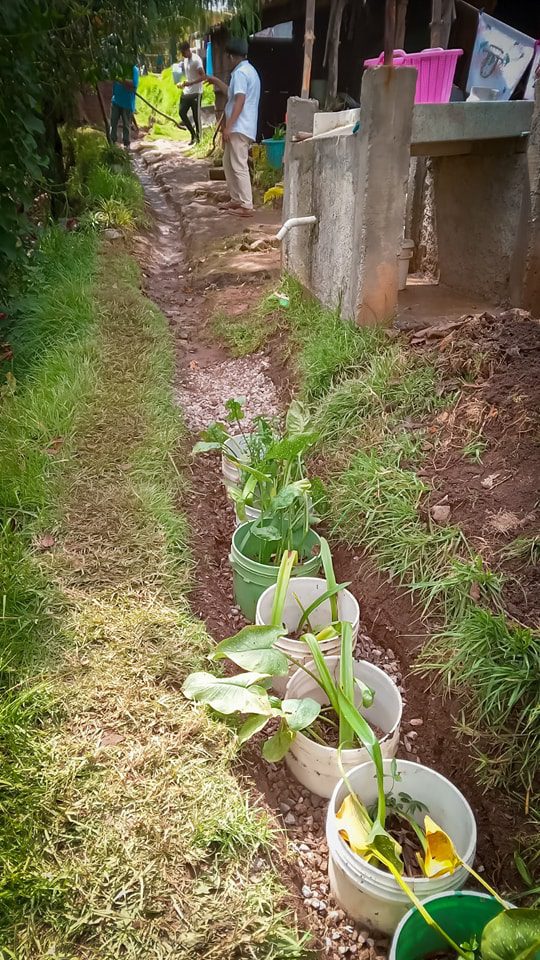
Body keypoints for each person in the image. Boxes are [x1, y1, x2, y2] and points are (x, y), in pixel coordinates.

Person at [205, 37, 261, 217]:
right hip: (242, 125)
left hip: (239, 126)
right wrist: (215, 80)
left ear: (231, 56)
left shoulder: (240, 73)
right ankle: (236, 198)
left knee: (238, 165)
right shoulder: (248, 71)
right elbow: (231, 92)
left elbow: (239, 100)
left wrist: (228, 127)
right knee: (229, 163)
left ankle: (246, 204)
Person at [177, 41, 204, 145]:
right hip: (187, 92)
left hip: (196, 92)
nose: (183, 55)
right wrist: (183, 83)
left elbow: (203, 76)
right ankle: (192, 134)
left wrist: (191, 83)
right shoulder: (185, 60)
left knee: (196, 117)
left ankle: (198, 138)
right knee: (181, 112)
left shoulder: (196, 61)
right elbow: (189, 76)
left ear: (188, 50)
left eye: (183, 52)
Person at [110, 64, 139, 149]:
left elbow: (134, 84)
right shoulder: (118, 67)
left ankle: (127, 144)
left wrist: (121, 80)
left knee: (126, 124)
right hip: (116, 100)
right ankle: (112, 142)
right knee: (113, 122)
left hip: (127, 102)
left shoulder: (134, 70)